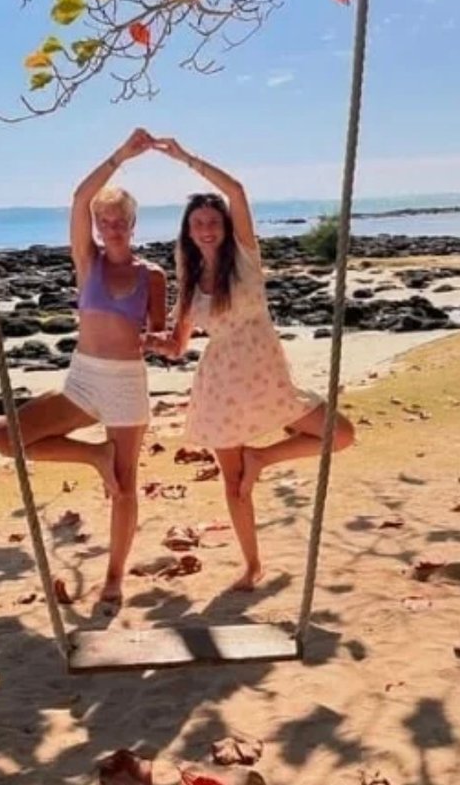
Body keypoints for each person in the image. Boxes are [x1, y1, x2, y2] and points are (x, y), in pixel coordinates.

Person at [144, 137, 356, 591]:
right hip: (220, 384)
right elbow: (178, 347)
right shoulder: (189, 281)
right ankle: (252, 565)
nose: (206, 228)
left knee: (339, 434)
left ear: (224, 226)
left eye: (212, 221)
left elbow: (236, 191)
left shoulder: (245, 257)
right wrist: (145, 340)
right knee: (233, 482)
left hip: (265, 376)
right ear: (188, 230)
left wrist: (184, 158)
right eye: (198, 223)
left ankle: (263, 457)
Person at [0, 128, 167, 603]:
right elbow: (79, 195)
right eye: (103, 219)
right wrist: (121, 156)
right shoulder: (86, 262)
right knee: (6, 439)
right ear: (96, 225)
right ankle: (94, 456)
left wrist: (164, 339)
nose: (111, 226)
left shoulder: (153, 275)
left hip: (128, 383)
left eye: (119, 220)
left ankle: (114, 578)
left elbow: (162, 336)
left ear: (132, 224)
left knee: (126, 488)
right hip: (85, 378)